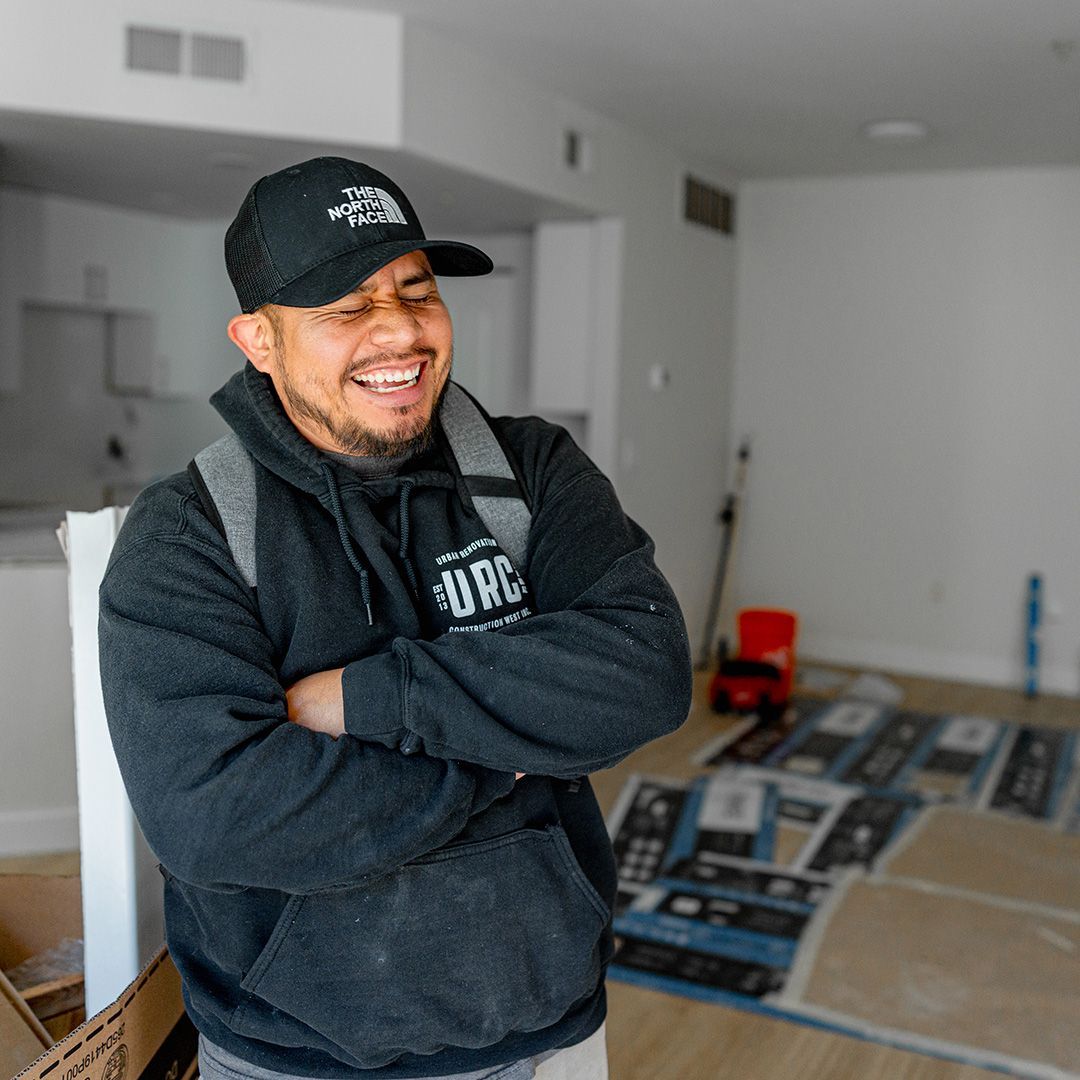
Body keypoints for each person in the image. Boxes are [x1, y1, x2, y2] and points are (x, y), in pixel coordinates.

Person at [99, 156, 692, 1080]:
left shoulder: (533, 471)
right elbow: (212, 816)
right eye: (345, 309)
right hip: (293, 1054)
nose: (399, 332)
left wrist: (374, 698)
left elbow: (645, 673)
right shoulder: (191, 529)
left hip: (528, 1020)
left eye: (415, 290)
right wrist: (520, 740)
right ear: (258, 340)